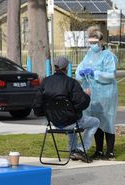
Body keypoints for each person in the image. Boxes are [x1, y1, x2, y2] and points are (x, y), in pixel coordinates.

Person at [35, 57, 100, 163]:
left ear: (54, 67)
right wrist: (87, 95)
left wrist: (47, 114)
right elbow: (81, 104)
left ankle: (72, 150)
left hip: (54, 122)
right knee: (95, 122)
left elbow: (37, 103)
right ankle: (80, 149)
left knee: (71, 120)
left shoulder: (45, 82)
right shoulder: (71, 83)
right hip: (71, 121)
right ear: (66, 67)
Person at [75, 27, 118, 160]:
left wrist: (96, 73)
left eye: (94, 43)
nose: (92, 45)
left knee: (108, 122)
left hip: (106, 94)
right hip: (91, 94)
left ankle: (109, 151)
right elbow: (79, 71)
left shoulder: (109, 56)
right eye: (90, 43)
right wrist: (81, 74)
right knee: (96, 121)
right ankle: (99, 150)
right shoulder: (88, 55)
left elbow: (111, 74)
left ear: (100, 42)